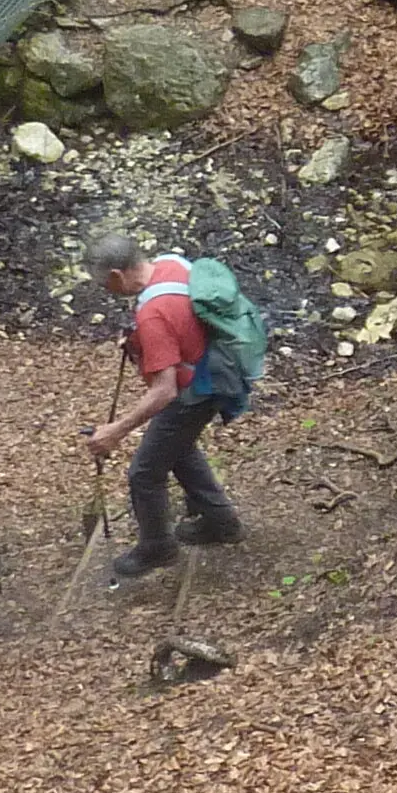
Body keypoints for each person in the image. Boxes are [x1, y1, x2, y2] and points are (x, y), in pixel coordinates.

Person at [82, 235, 244, 578]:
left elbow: (164, 391)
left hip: (194, 393)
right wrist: (140, 342)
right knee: (177, 449)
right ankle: (221, 522)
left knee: (144, 473)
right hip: (219, 372)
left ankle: (158, 547)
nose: (107, 291)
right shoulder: (171, 264)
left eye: (105, 284)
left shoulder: (153, 314)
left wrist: (115, 431)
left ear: (117, 275)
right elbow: (184, 324)